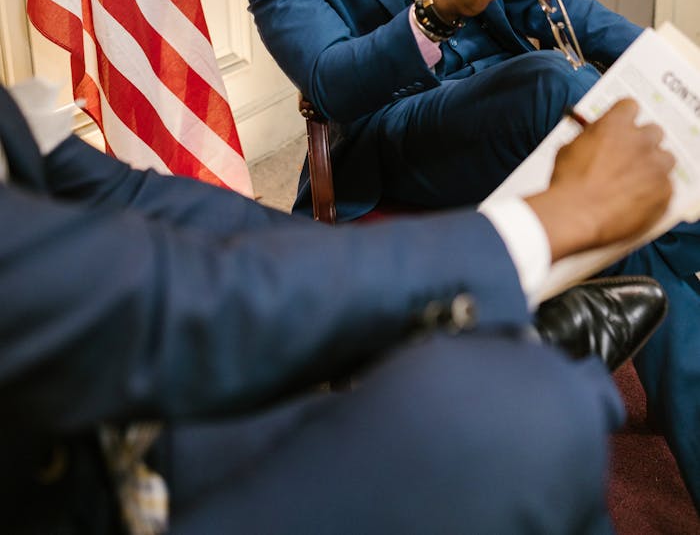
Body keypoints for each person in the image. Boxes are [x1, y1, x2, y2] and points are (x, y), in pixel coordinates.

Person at [229, 0, 700, 508]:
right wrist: (442, 6)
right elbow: (333, 83)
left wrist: (668, 68)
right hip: (400, 133)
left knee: (627, 190)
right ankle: (686, 222)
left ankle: (673, 235)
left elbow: (546, 0)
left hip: (514, 104)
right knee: (556, 84)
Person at [0, 78, 674, 535]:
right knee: (531, 416)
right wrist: (541, 225)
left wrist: (396, 292)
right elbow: (333, 79)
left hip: (86, 403)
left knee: (573, 92)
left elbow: (122, 196)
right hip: (77, 482)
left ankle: (451, 325)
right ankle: (499, 341)